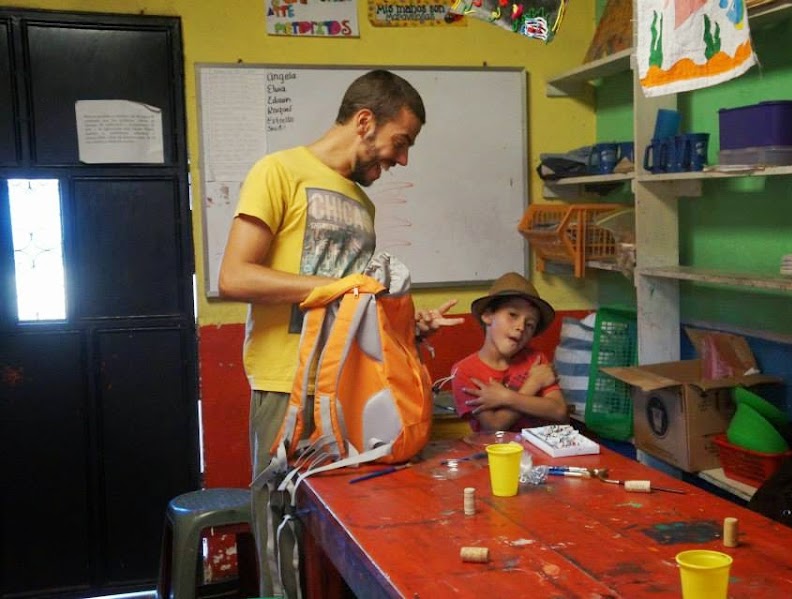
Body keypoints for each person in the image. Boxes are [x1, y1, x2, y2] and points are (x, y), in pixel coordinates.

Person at [217, 69, 461, 597]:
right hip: (287, 387)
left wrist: (403, 324)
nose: (402, 159)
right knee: (283, 535)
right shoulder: (279, 171)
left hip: (351, 390)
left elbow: (353, 303)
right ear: (365, 121)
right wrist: (336, 286)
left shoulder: (363, 203)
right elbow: (234, 277)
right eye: (401, 142)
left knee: (348, 534)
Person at [451, 272, 569, 433]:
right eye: (513, 315)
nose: (521, 327)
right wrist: (533, 384)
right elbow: (493, 426)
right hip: (495, 449)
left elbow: (559, 411)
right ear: (487, 315)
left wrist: (506, 397)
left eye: (530, 324)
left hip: (537, 447)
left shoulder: (536, 359)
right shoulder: (465, 370)